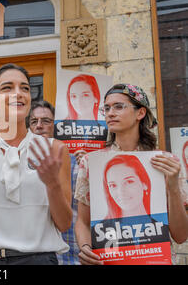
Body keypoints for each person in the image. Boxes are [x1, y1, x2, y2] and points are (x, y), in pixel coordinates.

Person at [0, 63, 72, 265]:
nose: (18, 93)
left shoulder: (54, 150)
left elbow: (64, 224)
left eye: (25, 88)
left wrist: (52, 184)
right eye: (7, 87)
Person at [74, 83, 188, 265]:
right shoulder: (91, 163)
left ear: (140, 113)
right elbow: (83, 221)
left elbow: (181, 236)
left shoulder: (165, 163)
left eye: (119, 106)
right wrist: (86, 248)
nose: (110, 113)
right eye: (107, 108)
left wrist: (173, 188)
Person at [28, 100, 80, 265]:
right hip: (33, 255)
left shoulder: (75, 163)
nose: (39, 126)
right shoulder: (19, 163)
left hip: (70, 253)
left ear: (55, 126)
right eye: (34, 121)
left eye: (46, 121)